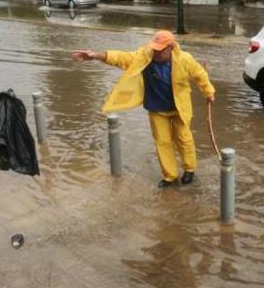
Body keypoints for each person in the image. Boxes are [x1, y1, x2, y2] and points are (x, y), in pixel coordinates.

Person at [71, 30, 216, 188]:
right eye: (154, 49)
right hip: (156, 109)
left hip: (179, 108)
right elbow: (121, 58)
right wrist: (95, 56)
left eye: (160, 50)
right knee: (162, 142)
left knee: (184, 138)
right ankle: (170, 176)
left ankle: (189, 169)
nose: (156, 53)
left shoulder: (184, 60)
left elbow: (200, 74)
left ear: (171, 48)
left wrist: (208, 93)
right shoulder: (144, 57)